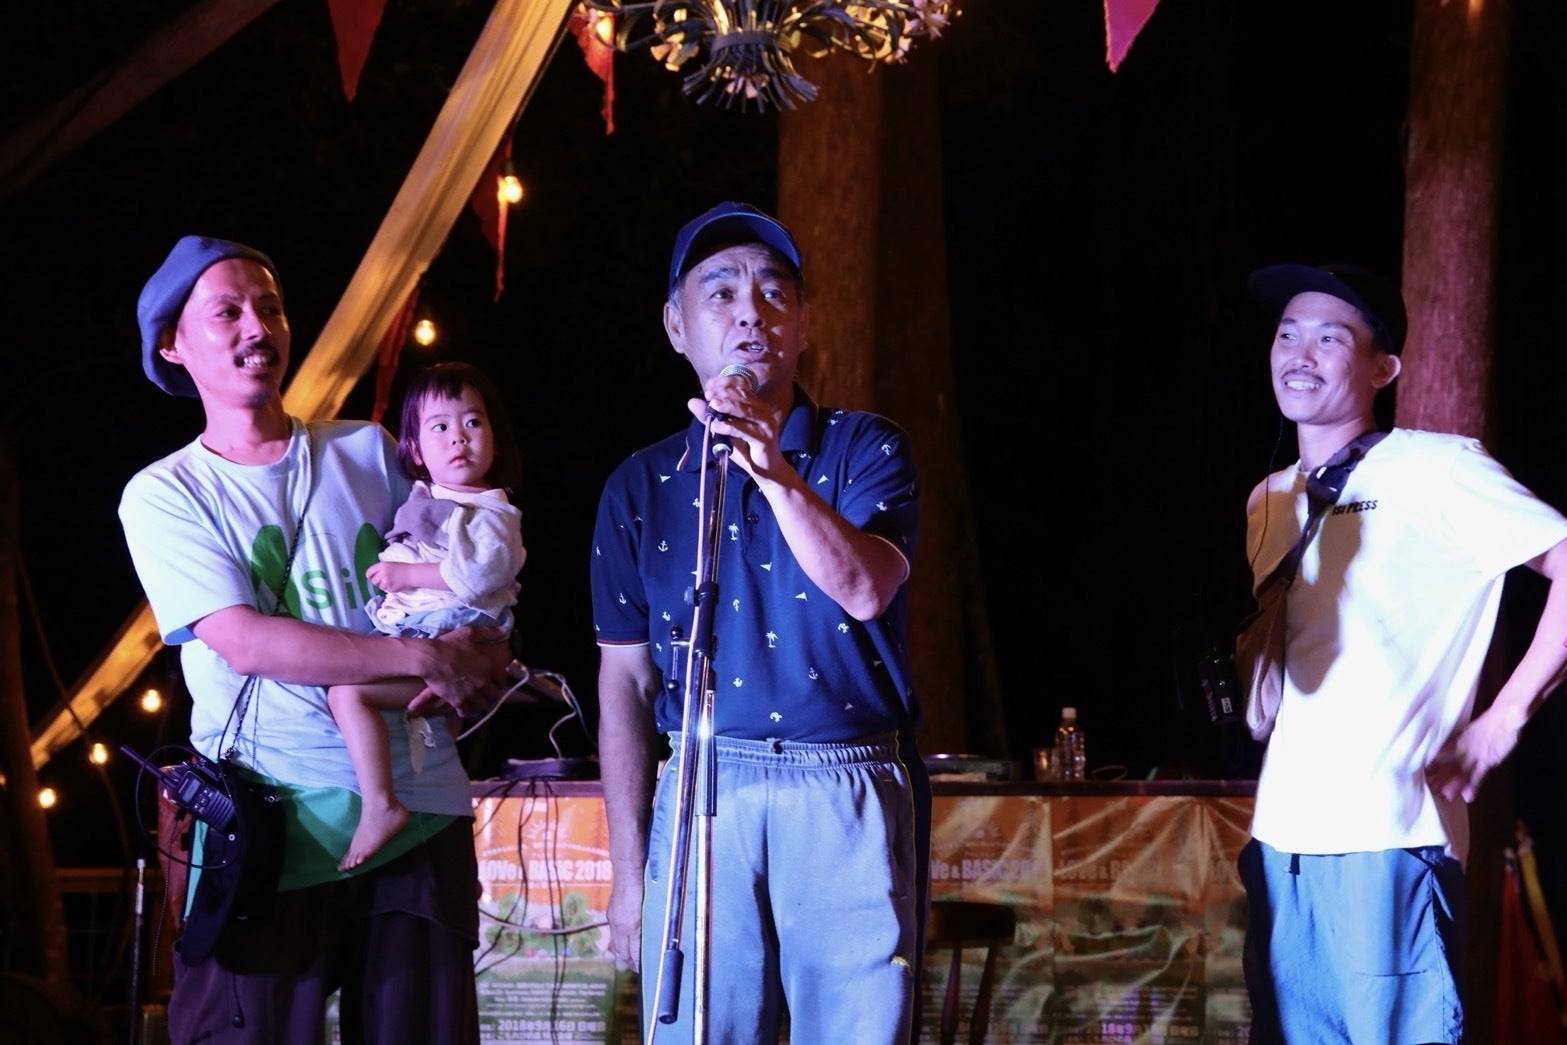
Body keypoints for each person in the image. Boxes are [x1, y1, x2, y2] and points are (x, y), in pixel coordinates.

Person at [119, 235, 516, 1043]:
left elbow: (469, 563)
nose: (256, 327)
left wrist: (484, 649)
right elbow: (246, 641)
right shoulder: (165, 493)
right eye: (227, 312)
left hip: (422, 808)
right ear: (173, 346)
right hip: (270, 822)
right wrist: (423, 658)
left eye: (270, 308)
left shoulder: (367, 449)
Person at [589, 201, 929, 1043]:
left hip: (842, 775)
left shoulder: (865, 447)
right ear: (676, 326)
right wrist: (628, 874)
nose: (750, 313)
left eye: (774, 293)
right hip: (703, 779)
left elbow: (865, 587)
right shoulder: (639, 484)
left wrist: (775, 472)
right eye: (721, 292)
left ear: (803, 324)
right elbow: (624, 682)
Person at [1236, 261, 1567, 1043]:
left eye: (1328, 338)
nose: (1299, 354)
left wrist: (1501, 720)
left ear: (1382, 369)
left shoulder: (1435, 467)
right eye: (1286, 334)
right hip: (1279, 840)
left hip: (1389, 836)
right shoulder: (1266, 499)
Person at [329, 360, 526, 871]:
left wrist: (406, 575)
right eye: (440, 427)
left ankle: (381, 804)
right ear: (414, 449)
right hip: (426, 631)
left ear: (495, 439)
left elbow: (479, 575)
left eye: (473, 422)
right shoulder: (431, 496)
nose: (458, 437)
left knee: (347, 693)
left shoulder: (492, 513)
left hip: (452, 634)